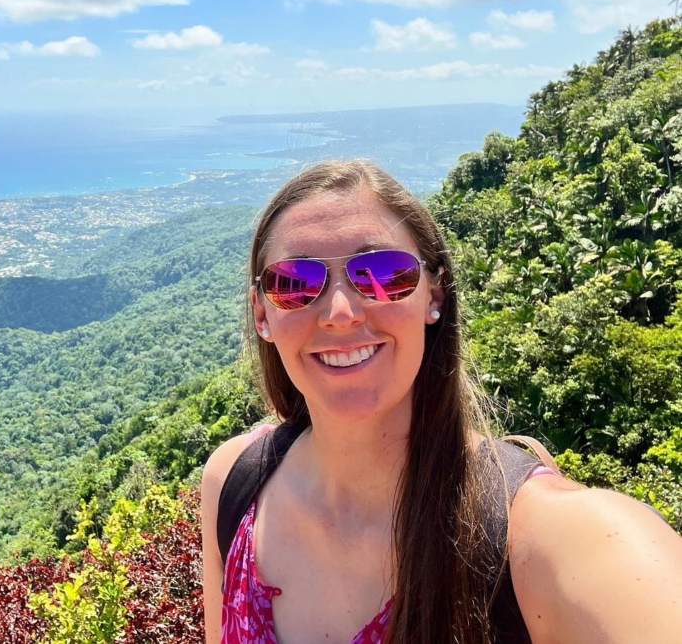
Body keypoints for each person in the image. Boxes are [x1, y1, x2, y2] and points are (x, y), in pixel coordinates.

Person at [200, 160, 682, 644]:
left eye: (383, 274)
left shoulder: (546, 537)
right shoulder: (234, 485)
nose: (340, 313)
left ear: (434, 294)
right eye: (294, 283)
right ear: (262, 313)